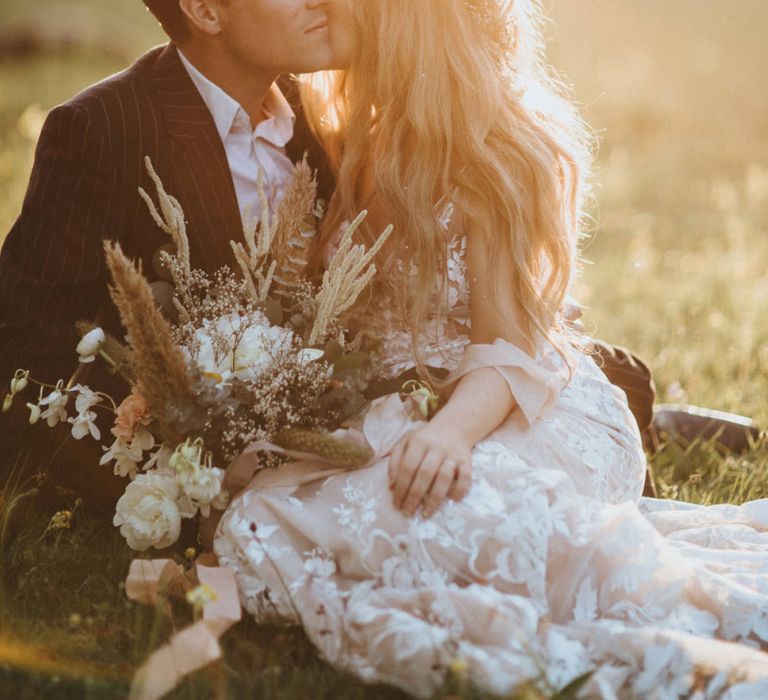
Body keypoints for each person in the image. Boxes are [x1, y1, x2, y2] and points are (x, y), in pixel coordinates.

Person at [212, 1, 768, 697]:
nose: (325, 4)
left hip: (509, 402)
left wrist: (449, 433)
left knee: (438, 504)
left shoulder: (491, 157)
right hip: (398, 402)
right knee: (270, 518)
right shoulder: (345, 138)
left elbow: (509, 350)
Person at [0, 0, 336, 509]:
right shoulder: (99, 129)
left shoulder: (314, 115)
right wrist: (162, 478)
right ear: (205, 11)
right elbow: (26, 350)